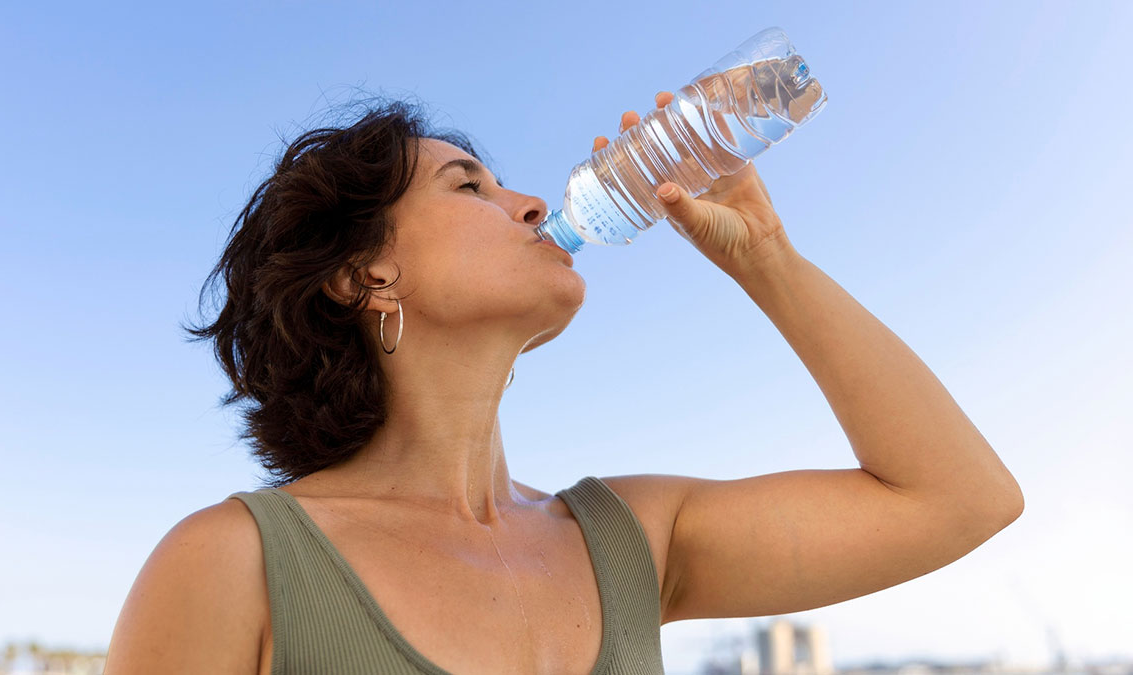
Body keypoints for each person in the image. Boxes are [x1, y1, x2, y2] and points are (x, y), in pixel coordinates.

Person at [103, 92, 1023, 674]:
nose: (532, 202)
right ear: (364, 275)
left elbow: (961, 498)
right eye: (470, 188)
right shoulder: (234, 564)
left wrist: (768, 259)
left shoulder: (631, 541)